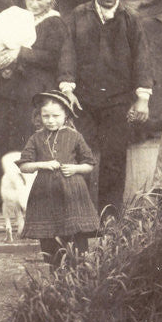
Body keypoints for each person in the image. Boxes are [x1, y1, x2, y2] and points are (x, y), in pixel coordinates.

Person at [59, 0, 153, 218]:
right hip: (82, 100)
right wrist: (67, 88)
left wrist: (142, 98)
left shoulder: (130, 18)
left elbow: (142, 58)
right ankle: (80, 216)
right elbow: (68, 52)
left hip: (117, 100)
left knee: (114, 159)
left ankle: (109, 218)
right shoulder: (79, 15)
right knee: (79, 157)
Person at [0, 0, 69, 193]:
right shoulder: (17, 19)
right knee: (4, 140)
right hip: (12, 91)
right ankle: (4, 193)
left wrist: (21, 53)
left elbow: (54, 57)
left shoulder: (54, 23)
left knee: (27, 140)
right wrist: (0, 65)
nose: (34, 4)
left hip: (35, 92)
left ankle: (30, 193)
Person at [18, 90, 100, 269]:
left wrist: (75, 168)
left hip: (72, 192)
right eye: (45, 116)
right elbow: (24, 166)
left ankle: (79, 273)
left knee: (76, 237)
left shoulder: (75, 136)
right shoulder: (36, 138)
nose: (50, 120)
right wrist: (42, 165)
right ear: (39, 116)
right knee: (48, 238)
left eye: (56, 116)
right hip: (44, 194)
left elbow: (89, 164)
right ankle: (57, 272)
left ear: (66, 115)